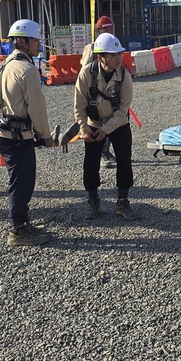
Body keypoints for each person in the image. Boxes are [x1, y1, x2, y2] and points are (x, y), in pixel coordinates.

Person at [0, 19, 55, 246]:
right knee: (21, 183)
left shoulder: (4, 65)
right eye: (35, 40)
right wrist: (45, 135)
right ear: (22, 41)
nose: (38, 44)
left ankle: (23, 222)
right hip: (18, 137)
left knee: (19, 181)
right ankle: (18, 231)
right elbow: (37, 108)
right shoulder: (27, 70)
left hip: (4, 133)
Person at [74, 31, 137, 221]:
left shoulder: (124, 77)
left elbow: (122, 111)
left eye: (119, 54)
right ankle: (93, 200)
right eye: (113, 55)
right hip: (93, 124)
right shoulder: (87, 74)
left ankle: (123, 201)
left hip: (118, 124)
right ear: (101, 57)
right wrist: (84, 129)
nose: (118, 58)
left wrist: (105, 131)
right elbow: (79, 104)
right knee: (90, 164)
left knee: (124, 161)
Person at [81, 15, 117, 168]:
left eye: (110, 29)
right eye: (105, 29)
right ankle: (102, 155)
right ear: (99, 31)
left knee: (113, 124)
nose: (108, 32)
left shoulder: (115, 46)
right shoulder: (92, 48)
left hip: (111, 93)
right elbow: (85, 71)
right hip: (96, 94)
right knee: (98, 125)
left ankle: (107, 152)